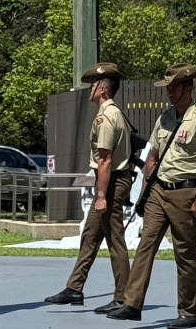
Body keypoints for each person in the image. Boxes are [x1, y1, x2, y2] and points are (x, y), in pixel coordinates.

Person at [107, 65, 196, 329]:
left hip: (185, 192)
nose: (170, 92)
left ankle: (188, 312)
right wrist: (146, 190)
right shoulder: (164, 118)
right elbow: (153, 158)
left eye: (175, 87)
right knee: (146, 244)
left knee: (185, 253)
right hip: (159, 190)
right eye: (168, 88)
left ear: (189, 88)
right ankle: (132, 304)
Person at [44, 62, 135, 313]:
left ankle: (124, 297)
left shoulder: (107, 117)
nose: (90, 89)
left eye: (93, 85)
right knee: (90, 236)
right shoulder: (110, 114)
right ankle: (75, 288)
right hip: (109, 182)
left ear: (103, 89)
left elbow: (105, 160)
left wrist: (102, 195)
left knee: (114, 239)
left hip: (112, 182)